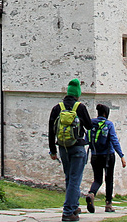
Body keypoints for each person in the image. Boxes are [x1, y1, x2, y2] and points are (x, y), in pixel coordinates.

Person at [48, 78, 94, 221]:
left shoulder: (57, 108)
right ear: (77, 94)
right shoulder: (80, 107)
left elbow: (51, 130)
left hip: (63, 147)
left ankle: (74, 207)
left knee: (69, 178)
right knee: (75, 179)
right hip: (78, 147)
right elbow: (89, 126)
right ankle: (68, 212)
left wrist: (52, 150)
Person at [86, 103, 126, 213]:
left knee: (97, 179)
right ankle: (108, 204)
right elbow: (114, 140)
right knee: (109, 179)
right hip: (108, 156)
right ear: (106, 113)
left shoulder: (91, 123)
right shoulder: (109, 124)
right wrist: (121, 155)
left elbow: (86, 139)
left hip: (95, 155)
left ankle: (91, 193)